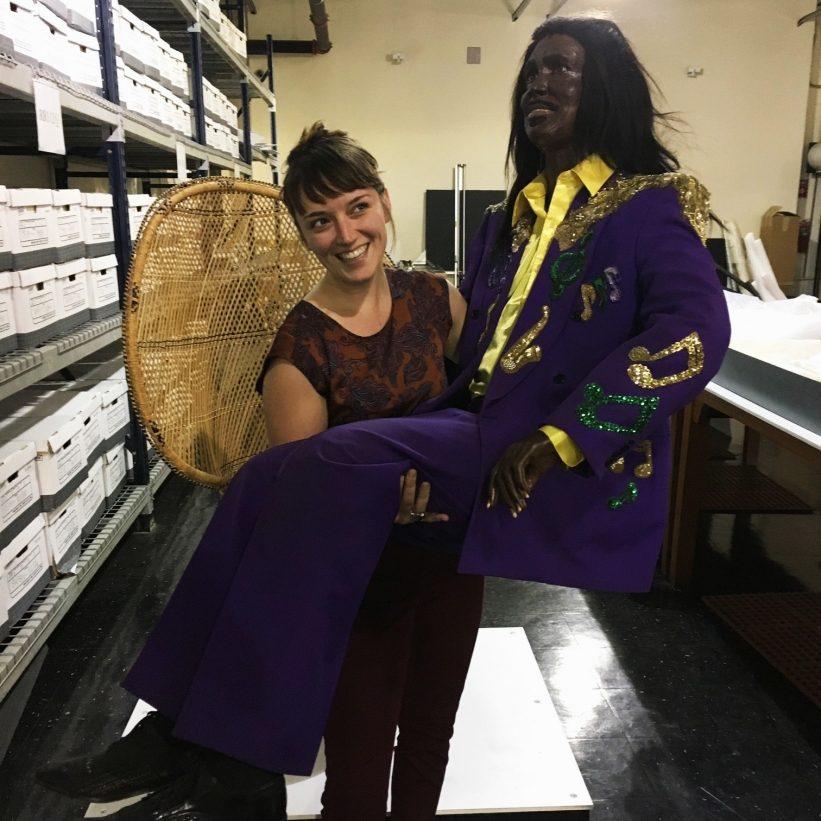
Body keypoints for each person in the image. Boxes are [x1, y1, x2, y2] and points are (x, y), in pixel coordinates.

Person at [38, 13, 731, 819]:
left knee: (302, 480)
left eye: (563, 70)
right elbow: (479, 358)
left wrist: (564, 435)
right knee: (275, 479)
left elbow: (695, 330)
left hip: (520, 449)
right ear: (301, 231)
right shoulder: (502, 220)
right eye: (532, 70)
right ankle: (203, 739)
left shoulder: (643, 207)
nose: (540, 83)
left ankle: (205, 743)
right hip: (456, 447)